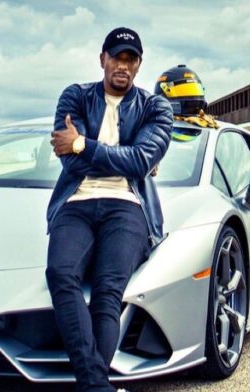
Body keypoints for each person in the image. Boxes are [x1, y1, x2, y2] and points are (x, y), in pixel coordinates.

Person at [46, 27, 173, 392]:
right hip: (76, 202)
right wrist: (125, 158)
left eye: (130, 59)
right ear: (102, 59)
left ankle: (91, 385)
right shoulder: (75, 96)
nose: (123, 65)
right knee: (60, 275)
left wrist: (82, 144)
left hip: (128, 206)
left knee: (107, 290)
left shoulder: (155, 107)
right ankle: (97, 386)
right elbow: (72, 166)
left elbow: (139, 162)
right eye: (116, 56)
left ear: (138, 65)